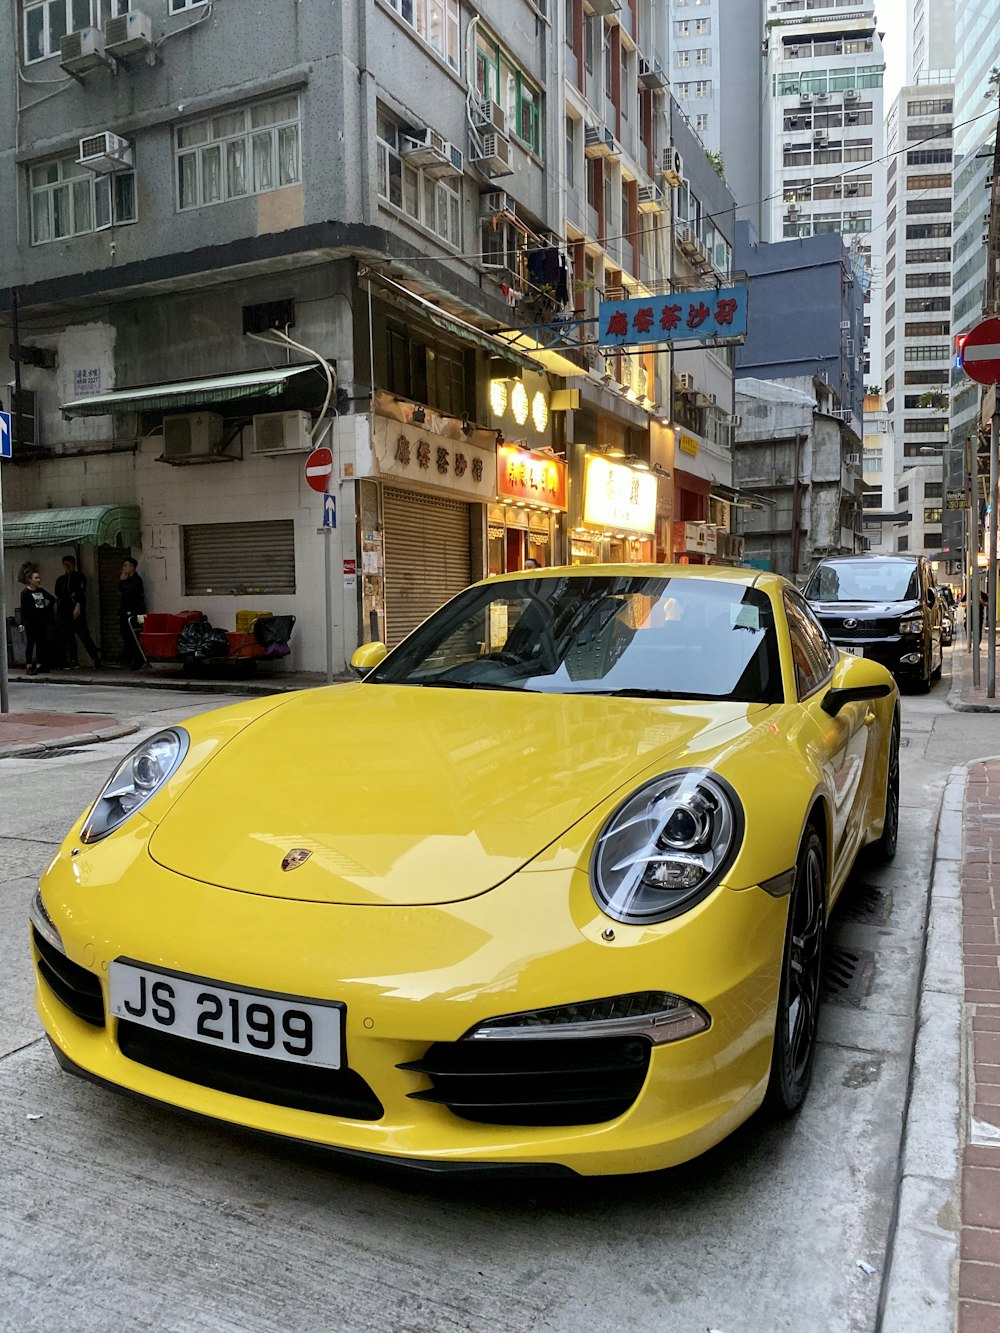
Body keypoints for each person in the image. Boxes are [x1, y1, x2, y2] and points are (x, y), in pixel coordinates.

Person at [54, 554, 102, 669]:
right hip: (64, 610)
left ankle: (95, 657)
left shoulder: (79, 577)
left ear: (73, 565)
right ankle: (73, 659)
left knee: (83, 634)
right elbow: (58, 593)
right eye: (65, 565)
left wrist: (78, 605)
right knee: (68, 636)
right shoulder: (61, 580)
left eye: (68, 565)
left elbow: (81, 592)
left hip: (75, 609)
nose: (66, 567)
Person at [19, 567, 58, 676]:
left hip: (41, 621)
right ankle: (29, 666)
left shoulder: (41, 591)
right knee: (30, 644)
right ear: (30, 580)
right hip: (31, 622)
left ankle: (39, 665)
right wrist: (22, 623)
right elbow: (24, 609)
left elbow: (52, 598)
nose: (38, 580)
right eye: (36, 578)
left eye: (39, 578)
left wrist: (46, 609)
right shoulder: (25, 593)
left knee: (41, 643)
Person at [118, 557, 147, 669]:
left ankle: (138, 660)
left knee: (136, 636)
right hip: (127, 612)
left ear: (132, 567)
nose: (124, 568)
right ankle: (129, 659)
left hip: (136, 613)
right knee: (127, 636)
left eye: (126, 565)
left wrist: (123, 581)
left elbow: (128, 591)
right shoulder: (127, 580)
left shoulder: (136, 580)